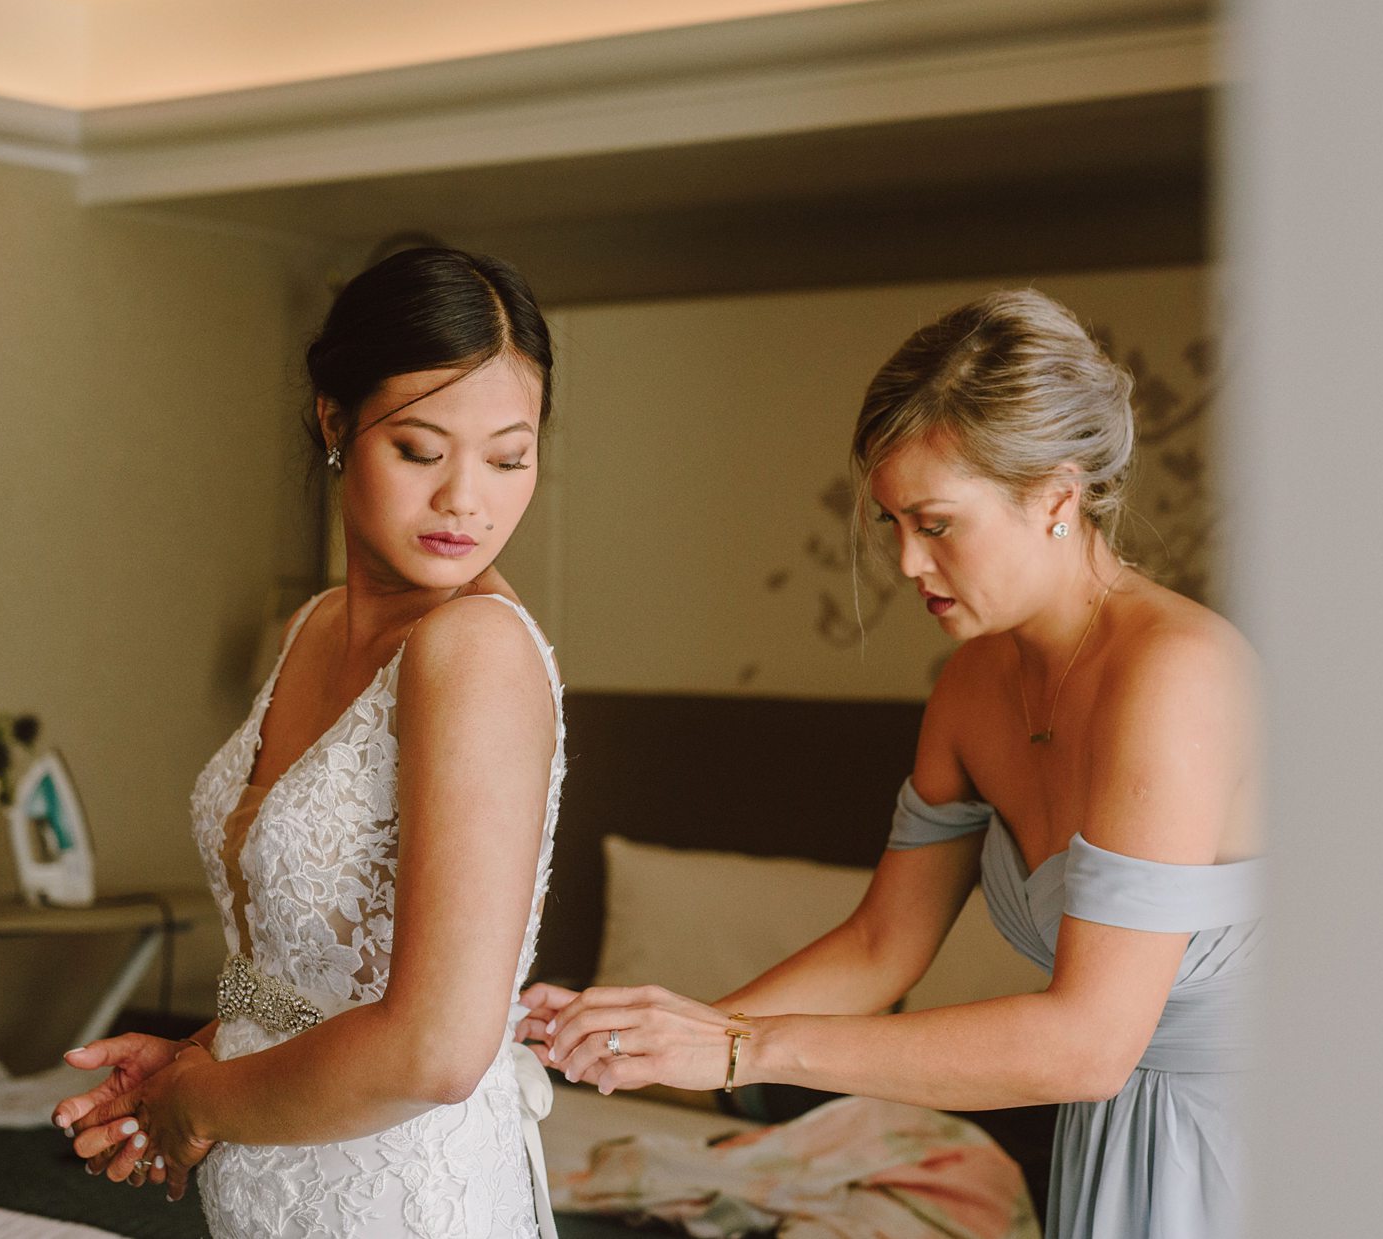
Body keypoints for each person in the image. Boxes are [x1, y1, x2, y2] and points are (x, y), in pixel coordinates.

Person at [523, 289, 1263, 1238]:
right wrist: (665, 1035)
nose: (907, 562)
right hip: (1111, 1133)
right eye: (892, 524)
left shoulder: (1176, 674)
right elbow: (882, 947)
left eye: (938, 522)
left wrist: (746, 1051)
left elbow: (1087, 1044)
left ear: (1057, 497)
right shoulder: (972, 686)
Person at [52, 247, 567, 1239]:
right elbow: (309, 977)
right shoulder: (314, 626)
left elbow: (438, 1051)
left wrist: (198, 1104)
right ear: (334, 421)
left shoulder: (477, 654)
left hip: (403, 1197)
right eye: (421, 449)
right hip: (270, 1181)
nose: (468, 499)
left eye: (509, 456)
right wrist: (203, 1051)